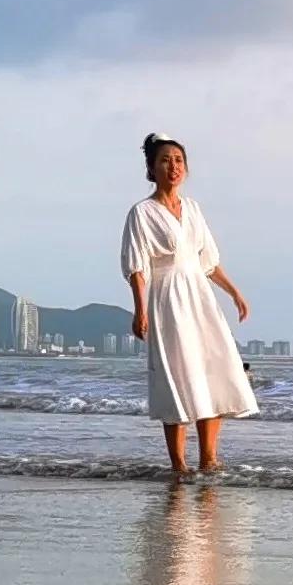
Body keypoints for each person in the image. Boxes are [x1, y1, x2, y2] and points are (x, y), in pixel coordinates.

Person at [120, 134, 257, 478]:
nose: (173, 166)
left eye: (179, 160)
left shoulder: (193, 209)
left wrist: (235, 293)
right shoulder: (142, 213)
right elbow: (137, 267)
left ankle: (209, 459)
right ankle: (179, 465)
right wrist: (140, 309)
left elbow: (208, 262)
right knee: (177, 374)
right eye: (165, 160)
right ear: (152, 168)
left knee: (214, 369)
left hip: (200, 296)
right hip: (168, 298)